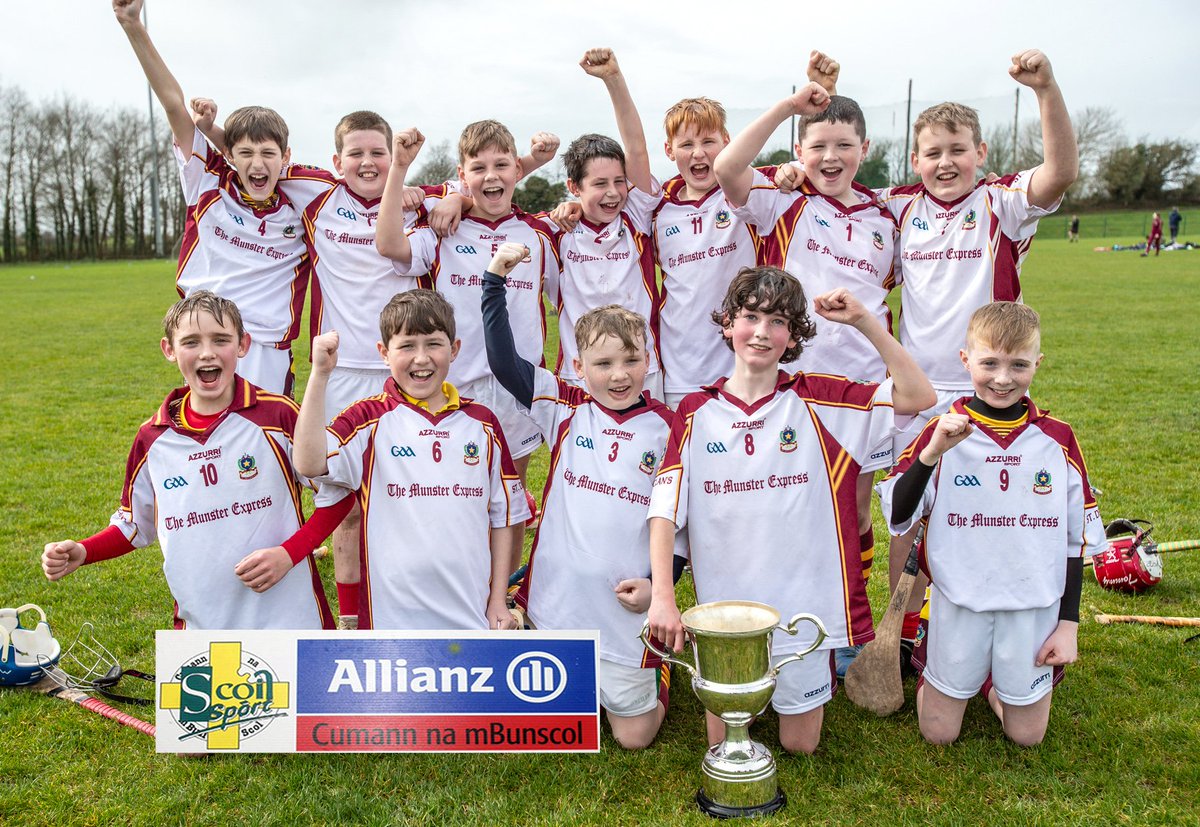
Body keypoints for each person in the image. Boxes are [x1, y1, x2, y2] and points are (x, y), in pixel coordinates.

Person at [778, 50, 1077, 654]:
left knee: (984, 509)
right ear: (914, 161)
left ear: (981, 154)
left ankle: (989, 620)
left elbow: (1061, 172)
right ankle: (899, 638)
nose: (946, 162)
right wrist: (793, 162)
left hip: (987, 385)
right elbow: (832, 180)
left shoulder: (1003, 203)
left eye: (958, 149)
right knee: (903, 515)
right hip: (912, 391)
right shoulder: (897, 206)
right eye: (933, 153)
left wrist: (1045, 89)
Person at [646, 267, 935, 755]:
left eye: (778, 321)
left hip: (804, 612)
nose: (762, 332)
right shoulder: (695, 411)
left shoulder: (820, 399)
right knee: (724, 738)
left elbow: (918, 396)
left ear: (794, 335)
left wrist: (865, 320)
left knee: (800, 745)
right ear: (726, 324)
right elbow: (664, 512)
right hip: (728, 615)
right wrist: (662, 598)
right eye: (750, 316)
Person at [41, 291, 346, 630]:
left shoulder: (278, 416)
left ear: (243, 345)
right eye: (190, 342)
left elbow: (337, 493)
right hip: (201, 628)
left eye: (220, 339)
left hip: (291, 618)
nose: (207, 353)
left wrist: (289, 553)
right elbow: (134, 525)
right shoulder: (152, 439)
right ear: (169, 350)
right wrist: (83, 551)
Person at [879, 302, 1105, 745]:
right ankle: (947, 666)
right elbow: (900, 515)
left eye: (1019, 365)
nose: (1003, 378)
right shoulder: (941, 431)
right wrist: (930, 455)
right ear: (966, 360)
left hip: (1033, 608)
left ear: (1037, 364)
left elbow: (1073, 541)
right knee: (938, 735)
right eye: (990, 363)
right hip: (960, 603)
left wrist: (1069, 624)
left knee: (1027, 738)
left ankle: (991, 684)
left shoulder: (1057, 439)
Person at [482, 241, 676, 749]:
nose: (619, 375)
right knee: (554, 717)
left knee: (634, 738)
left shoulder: (672, 430)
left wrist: (661, 584)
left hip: (625, 611)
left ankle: (663, 674)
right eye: (604, 362)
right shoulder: (564, 408)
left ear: (649, 359)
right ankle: (540, 629)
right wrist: (494, 281)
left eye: (632, 360)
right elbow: (504, 362)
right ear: (577, 364)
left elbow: (682, 522)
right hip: (557, 604)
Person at [714, 77, 899, 597]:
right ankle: (778, 599)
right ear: (799, 150)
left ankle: (851, 620)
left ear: (866, 149)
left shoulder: (888, 214)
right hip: (790, 382)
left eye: (844, 145)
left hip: (863, 387)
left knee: (856, 508)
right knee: (786, 498)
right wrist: (789, 106)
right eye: (817, 146)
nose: (830, 156)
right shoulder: (781, 198)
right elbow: (728, 168)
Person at [113, 0, 331, 395]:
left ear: (285, 158)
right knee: (210, 447)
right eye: (245, 153)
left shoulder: (304, 200)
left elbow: (362, 184)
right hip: (206, 338)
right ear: (230, 156)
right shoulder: (207, 181)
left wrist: (445, 195)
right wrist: (133, 25)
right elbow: (173, 104)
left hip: (266, 349)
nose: (257, 163)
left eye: (267, 154)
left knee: (267, 451)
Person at [375, 123, 560, 565]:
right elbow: (388, 244)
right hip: (454, 387)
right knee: (455, 489)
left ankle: (506, 588)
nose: (491, 176)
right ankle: (457, 575)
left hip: (517, 387)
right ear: (462, 174)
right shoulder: (444, 227)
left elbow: (569, 296)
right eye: (478, 168)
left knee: (513, 492)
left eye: (501, 165)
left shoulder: (540, 233)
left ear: (518, 169)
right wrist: (406, 172)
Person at [293, 289, 528, 631]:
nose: (421, 358)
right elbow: (309, 463)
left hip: (471, 615)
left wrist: (496, 600)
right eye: (406, 346)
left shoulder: (483, 424)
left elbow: (504, 517)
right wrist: (320, 375)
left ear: (455, 349)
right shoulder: (366, 419)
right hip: (390, 621)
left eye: (433, 344)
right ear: (384, 353)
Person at [547, 49, 664, 397]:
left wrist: (613, 78)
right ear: (574, 187)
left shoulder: (636, 216)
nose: (613, 193)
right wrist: (455, 197)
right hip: (578, 374)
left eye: (618, 181)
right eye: (599, 184)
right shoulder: (555, 231)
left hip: (642, 371)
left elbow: (637, 149)